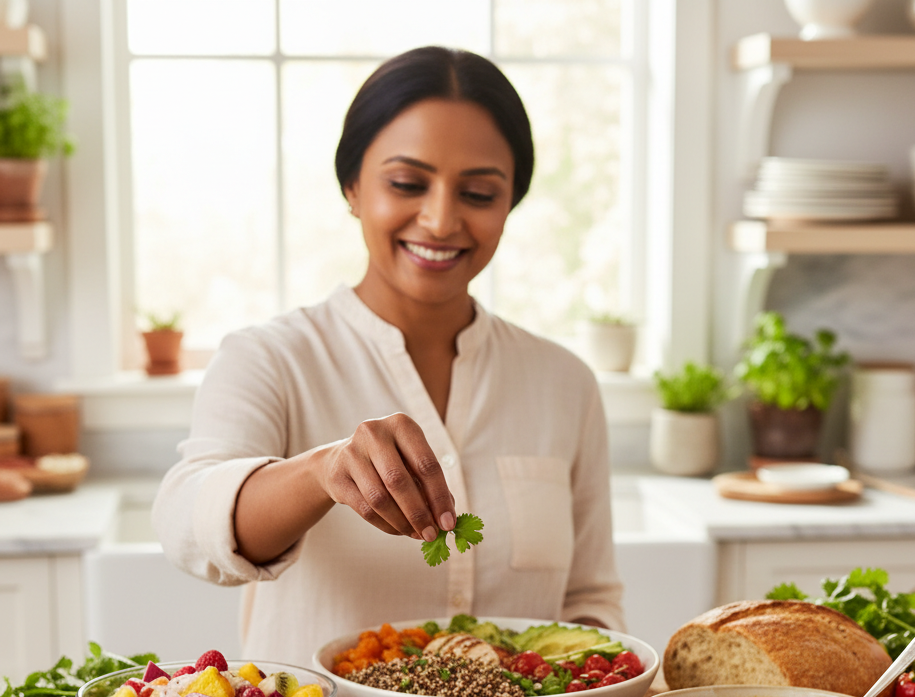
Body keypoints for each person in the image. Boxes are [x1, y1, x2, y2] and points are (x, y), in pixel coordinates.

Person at [153, 46, 624, 665]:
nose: (440, 218)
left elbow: (591, 599)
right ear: (352, 187)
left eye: (479, 193)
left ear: (510, 205)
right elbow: (186, 524)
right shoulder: (271, 358)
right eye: (406, 184)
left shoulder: (564, 383)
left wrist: (586, 680)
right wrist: (322, 472)